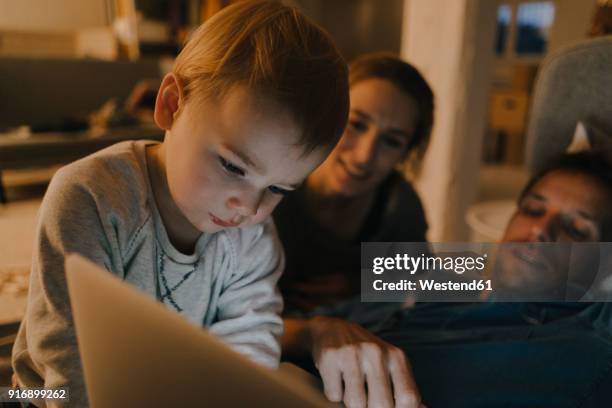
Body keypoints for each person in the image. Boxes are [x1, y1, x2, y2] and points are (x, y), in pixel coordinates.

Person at [10, 1, 349, 406]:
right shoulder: (90, 196)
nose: (248, 206)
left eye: (278, 189)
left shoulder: (253, 237)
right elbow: (65, 359)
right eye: (233, 166)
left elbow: (249, 350)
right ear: (172, 105)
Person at [283, 151, 612, 408]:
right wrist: (315, 332)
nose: (541, 229)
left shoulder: (591, 340)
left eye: (576, 230)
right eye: (533, 210)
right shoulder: (436, 282)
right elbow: (265, 330)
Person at [274, 53, 434, 315]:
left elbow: (428, 279)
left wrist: (362, 283)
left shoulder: (398, 206)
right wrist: (311, 333)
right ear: (327, 113)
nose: (364, 156)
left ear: (405, 155)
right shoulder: (271, 184)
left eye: (391, 141)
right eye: (356, 124)